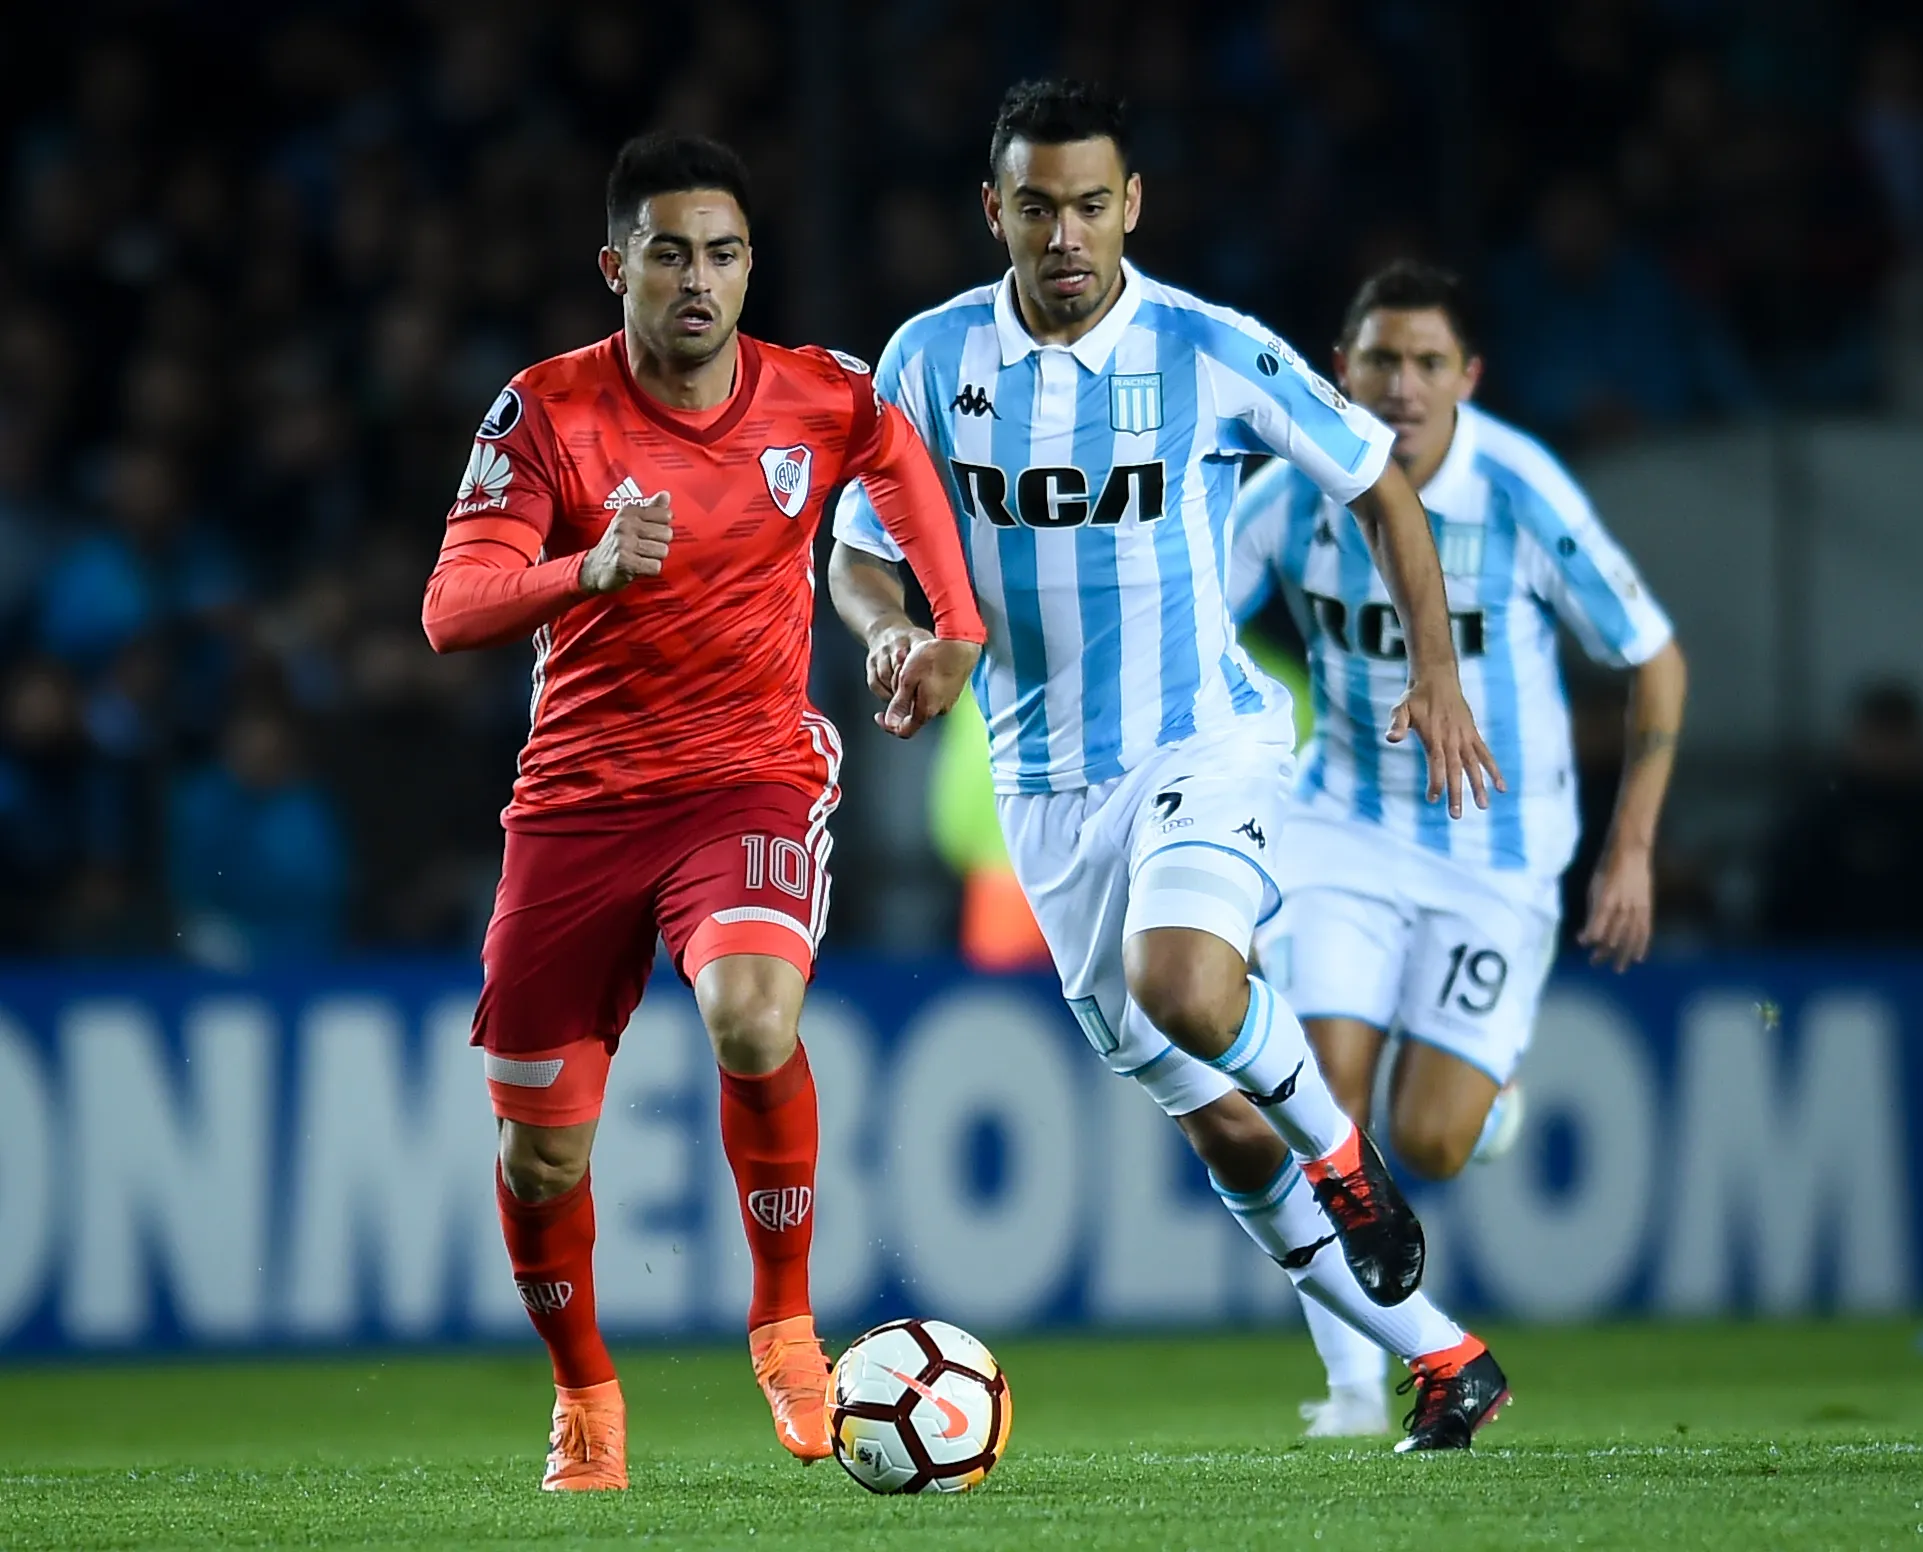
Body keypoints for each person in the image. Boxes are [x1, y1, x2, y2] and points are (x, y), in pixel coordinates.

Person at [828, 81, 1509, 1453]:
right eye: (1037, 207)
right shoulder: (925, 361)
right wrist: (891, 632)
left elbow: (1377, 481)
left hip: (1199, 739)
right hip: (1040, 793)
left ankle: (1344, 1157)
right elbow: (854, 552)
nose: (1065, 234)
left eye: (1091, 204)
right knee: (1223, 1133)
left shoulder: (1206, 347)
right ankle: (1447, 1360)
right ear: (994, 212)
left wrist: (1434, 670)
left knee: (1186, 981)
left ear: (1130, 204)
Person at [421, 132, 983, 1491]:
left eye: (722, 254)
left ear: (748, 268)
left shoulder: (815, 393)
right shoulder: (544, 413)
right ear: (615, 268)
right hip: (576, 808)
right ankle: (584, 1396)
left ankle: (784, 1324)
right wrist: (580, 569)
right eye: (667, 253)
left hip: (746, 774)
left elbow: (897, 459)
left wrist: (951, 625)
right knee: (540, 1154)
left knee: (751, 1015)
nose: (697, 279)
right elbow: (450, 609)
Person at [1231, 261, 1686, 1435]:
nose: (1402, 384)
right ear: (1340, 368)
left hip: (1497, 849)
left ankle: (1485, 1110)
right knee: (1318, 1103)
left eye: (1428, 362)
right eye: (1381, 358)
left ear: (1466, 378)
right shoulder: (1290, 493)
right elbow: (1189, 619)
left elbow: (1652, 658)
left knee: (1427, 1138)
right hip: (1340, 826)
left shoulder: (1519, 490)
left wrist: (1630, 850)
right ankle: (1350, 1387)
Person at [1763, 681, 1923, 946]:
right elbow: (1784, 900)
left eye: (1900, 738)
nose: (1890, 751)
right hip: (1819, 956)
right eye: (1881, 737)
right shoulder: (1816, 815)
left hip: (1912, 958)